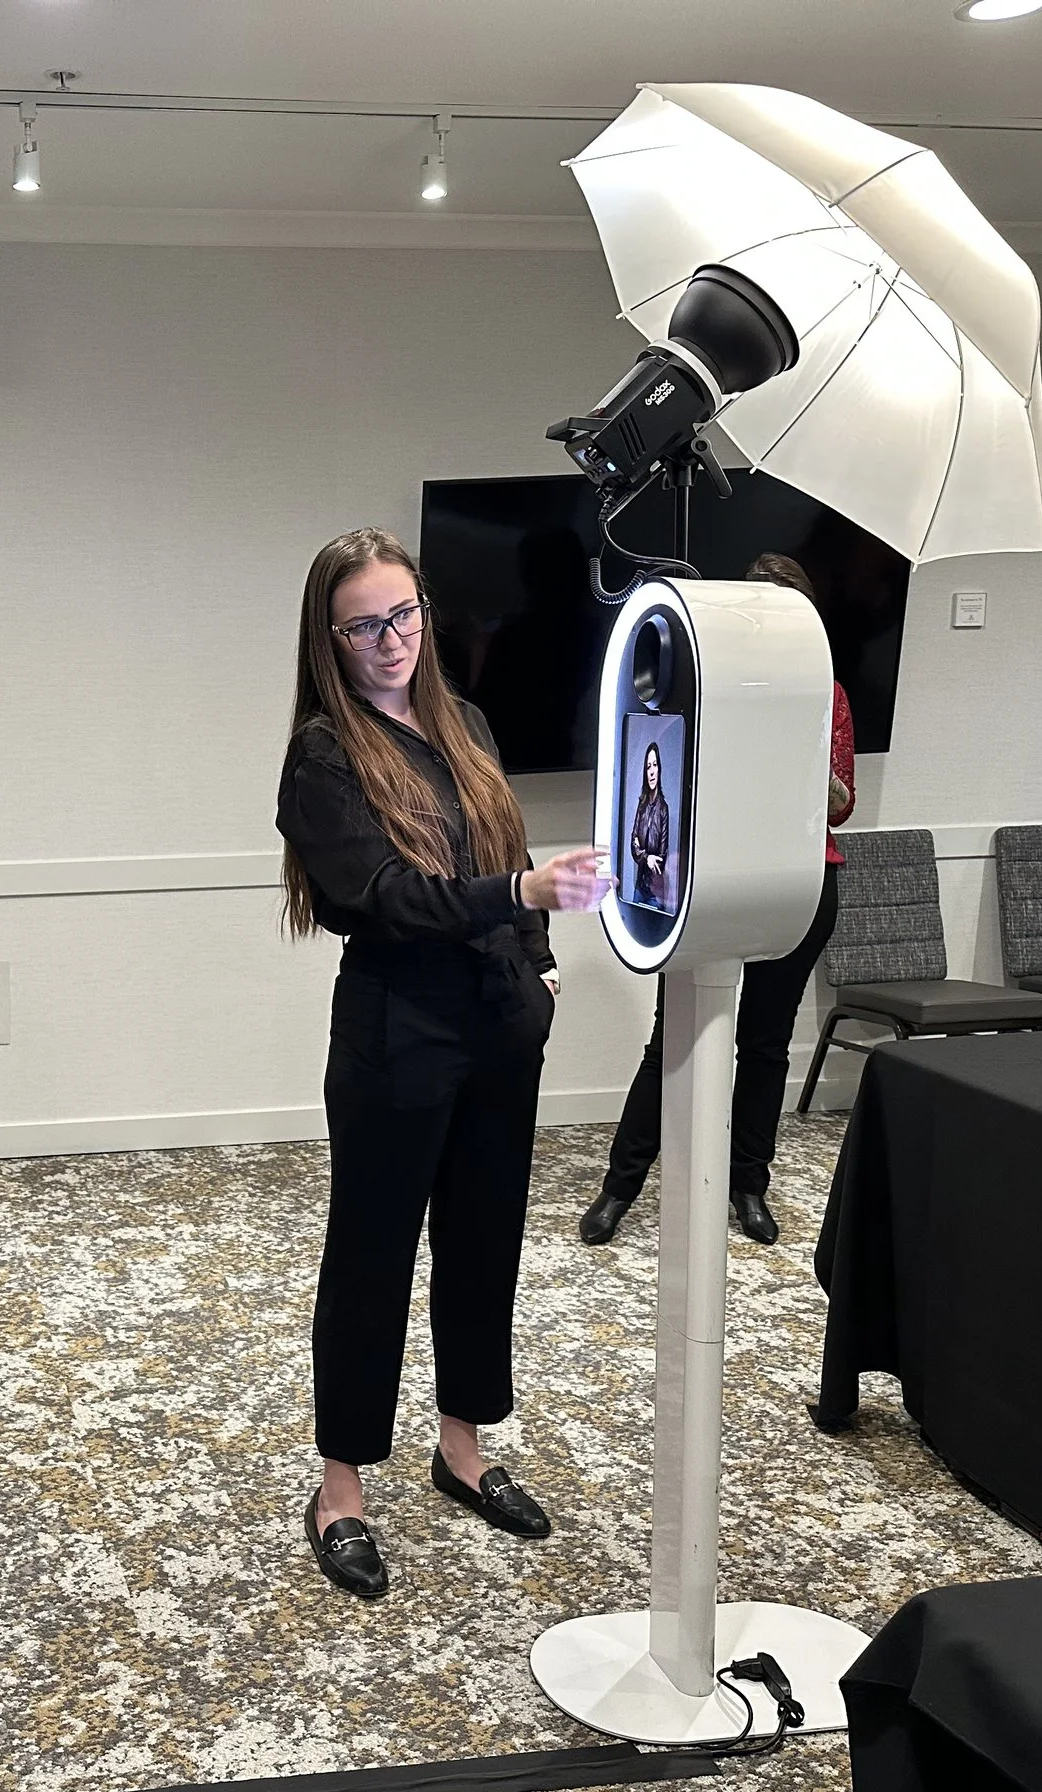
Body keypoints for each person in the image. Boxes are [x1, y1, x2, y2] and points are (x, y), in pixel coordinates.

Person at [275, 528, 609, 1600]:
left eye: (404, 615)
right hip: (395, 1032)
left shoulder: (463, 722)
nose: (390, 640)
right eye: (366, 624)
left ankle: (461, 1450)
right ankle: (341, 1489)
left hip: (498, 1024)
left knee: (482, 1247)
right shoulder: (325, 756)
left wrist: (539, 966)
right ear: (330, 638)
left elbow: (505, 851)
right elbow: (383, 899)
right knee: (370, 1260)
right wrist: (520, 902)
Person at [579, 553, 855, 1249]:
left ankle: (748, 1185)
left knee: (764, 1047)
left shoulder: (831, 694)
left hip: (795, 887)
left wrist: (800, 750)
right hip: (703, 890)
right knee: (672, 1041)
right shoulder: (698, 693)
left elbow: (842, 804)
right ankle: (621, 1185)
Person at [630, 741, 672, 912]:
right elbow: (633, 845)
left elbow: (661, 858)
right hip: (639, 889)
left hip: (655, 894)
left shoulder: (663, 809)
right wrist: (647, 857)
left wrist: (642, 852)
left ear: (659, 769)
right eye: (648, 766)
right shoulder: (642, 805)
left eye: (654, 765)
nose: (652, 771)